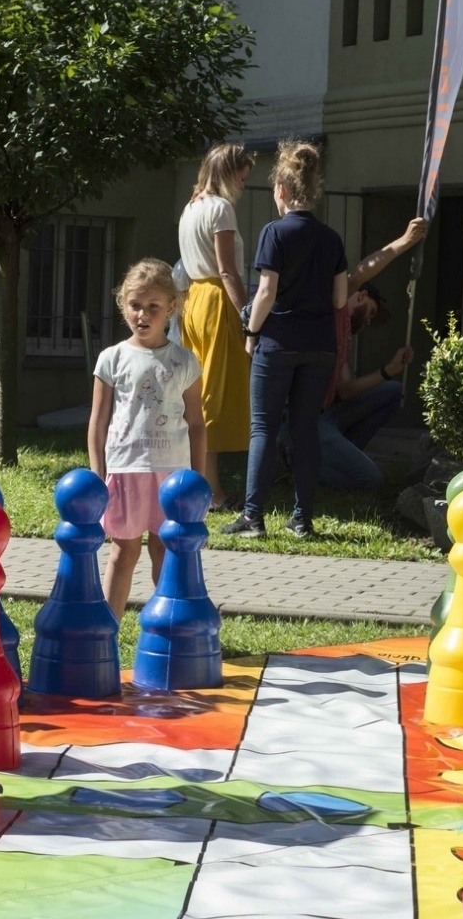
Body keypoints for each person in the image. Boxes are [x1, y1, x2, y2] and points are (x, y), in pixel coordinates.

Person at [221, 139, 347, 540]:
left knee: (263, 427)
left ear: (281, 191)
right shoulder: (332, 239)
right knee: (306, 429)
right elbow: (341, 298)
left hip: (277, 343)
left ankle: (253, 518)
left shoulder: (274, 232)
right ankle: (301, 520)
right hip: (321, 344)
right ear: (314, 192)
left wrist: (251, 331)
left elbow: (265, 291)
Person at [88, 259, 207, 619]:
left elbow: (197, 424)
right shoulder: (112, 359)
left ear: (171, 308)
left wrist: (197, 480)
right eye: (134, 305)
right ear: (123, 304)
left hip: (172, 476)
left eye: (153, 307)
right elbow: (98, 421)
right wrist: (98, 474)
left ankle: (169, 625)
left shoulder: (185, 362)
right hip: (125, 470)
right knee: (123, 553)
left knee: (164, 550)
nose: (142, 314)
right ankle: (107, 629)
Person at [308, 217, 427, 489]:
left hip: (329, 413)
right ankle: (308, 466)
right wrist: (404, 242)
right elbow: (360, 273)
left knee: (392, 391)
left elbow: (347, 390)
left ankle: (343, 454)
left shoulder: (345, 335)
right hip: (308, 417)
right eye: (372, 312)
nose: (370, 321)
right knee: (371, 480)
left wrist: (388, 371)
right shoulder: (334, 306)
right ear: (360, 296)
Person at [177, 142, 255, 510]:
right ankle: (210, 491)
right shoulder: (221, 209)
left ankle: (205, 484)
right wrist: (247, 314)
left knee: (199, 390)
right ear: (230, 171)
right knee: (216, 396)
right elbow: (227, 270)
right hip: (217, 301)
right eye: (243, 173)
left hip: (193, 299)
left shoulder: (191, 207)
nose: (244, 181)